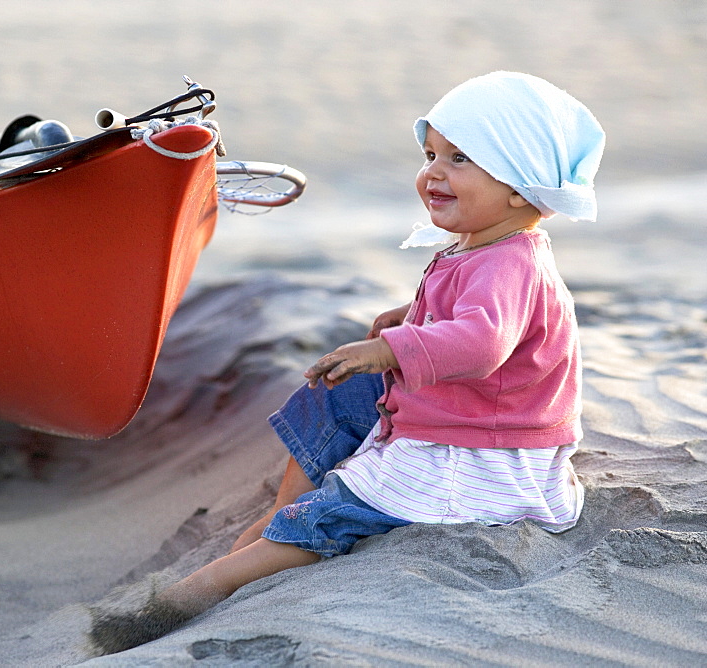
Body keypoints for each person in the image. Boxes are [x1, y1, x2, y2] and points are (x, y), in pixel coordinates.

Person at [87, 71, 605, 655]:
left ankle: (206, 587)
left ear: (520, 187)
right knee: (336, 396)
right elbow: (468, 313)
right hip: (463, 409)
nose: (432, 172)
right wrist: (412, 314)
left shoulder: (510, 262)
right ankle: (282, 515)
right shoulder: (487, 245)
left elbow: (485, 342)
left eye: (460, 159)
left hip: (482, 448)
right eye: (430, 153)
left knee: (344, 508)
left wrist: (390, 349)